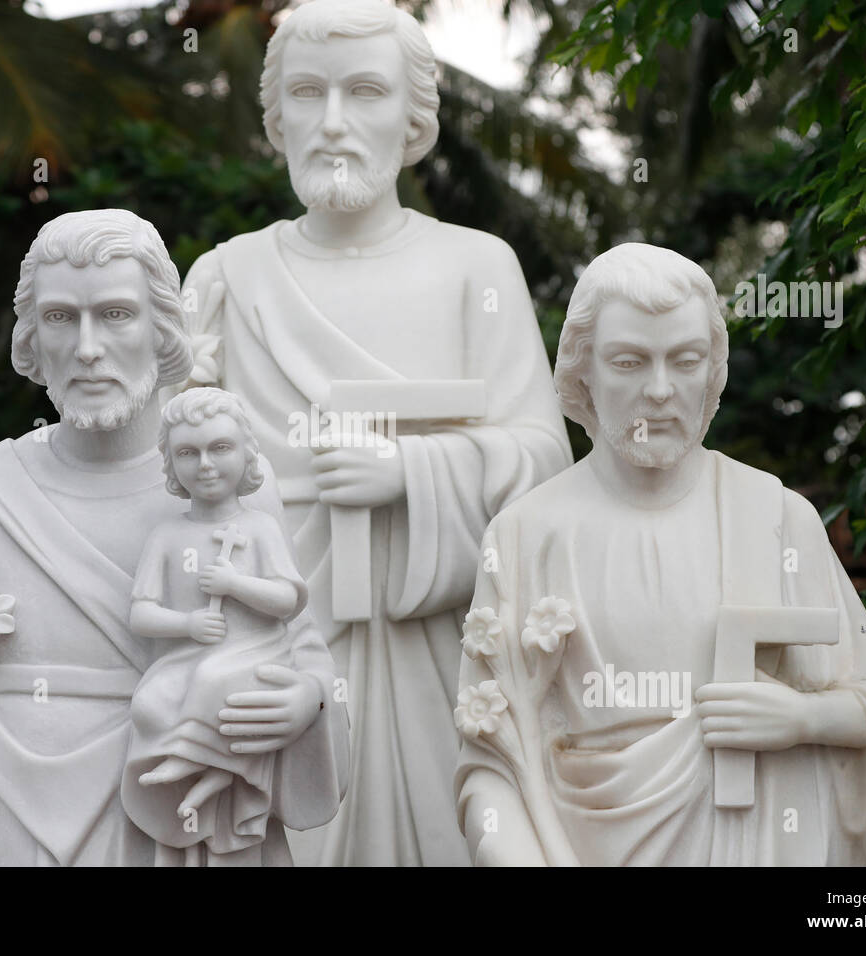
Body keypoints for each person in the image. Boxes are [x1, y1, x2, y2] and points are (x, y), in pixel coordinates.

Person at [178, 0, 571, 866]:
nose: (333, 123)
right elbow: (167, 492)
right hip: (271, 665)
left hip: (442, 662)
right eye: (307, 95)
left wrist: (413, 474)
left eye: (364, 93)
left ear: (414, 118)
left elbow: (547, 469)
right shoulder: (226, 282)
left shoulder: (478, 269)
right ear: (276, 121)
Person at [454, 242, 866, 866]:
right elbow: (487, 763)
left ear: (713, 370)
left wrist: (803, 720)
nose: (660, 390)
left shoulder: (776, 517)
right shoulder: (523, 536)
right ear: (582, 373)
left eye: (685, 360)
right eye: (629, 361)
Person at [0, 210, 347, 867]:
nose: (85, 348)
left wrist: (309, 700)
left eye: (114, 315)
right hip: (9, 825)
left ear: (163, 328)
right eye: (58, 318)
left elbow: (296, 643)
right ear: (31, 335)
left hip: (178, 810)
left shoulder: (235, 486)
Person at [124, 387, 331, 864]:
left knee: (216, 681)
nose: (206, 465)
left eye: (220, 448)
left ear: (246, 453)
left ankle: (195, 765)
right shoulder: (167, 535)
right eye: (187, 453)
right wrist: (187, 623)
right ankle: (210, 771)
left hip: (256, 652)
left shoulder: (259, 528)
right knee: (153, 700)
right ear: (171, 465)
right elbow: (141, 614)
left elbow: (288, 599)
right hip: (193, 653)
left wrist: (235, 584)